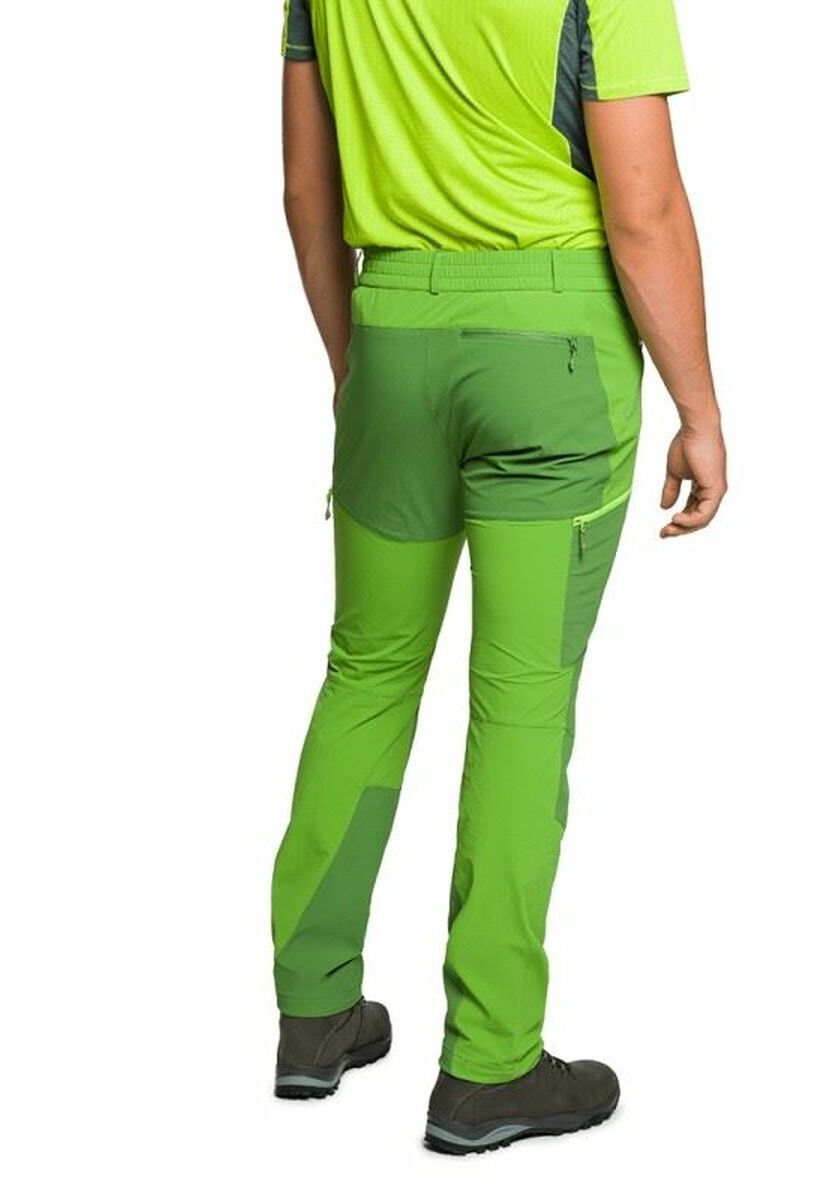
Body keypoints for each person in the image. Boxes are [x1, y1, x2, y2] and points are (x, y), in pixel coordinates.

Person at [270, 0, 727, 1155]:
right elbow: (644, 209)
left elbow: (307, 191)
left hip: (393, 331)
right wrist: (701, 409)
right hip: (553, 351)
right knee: (522, 701)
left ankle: (314, 1013)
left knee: (366, 674)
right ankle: (489, 1064)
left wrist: (360, 365)